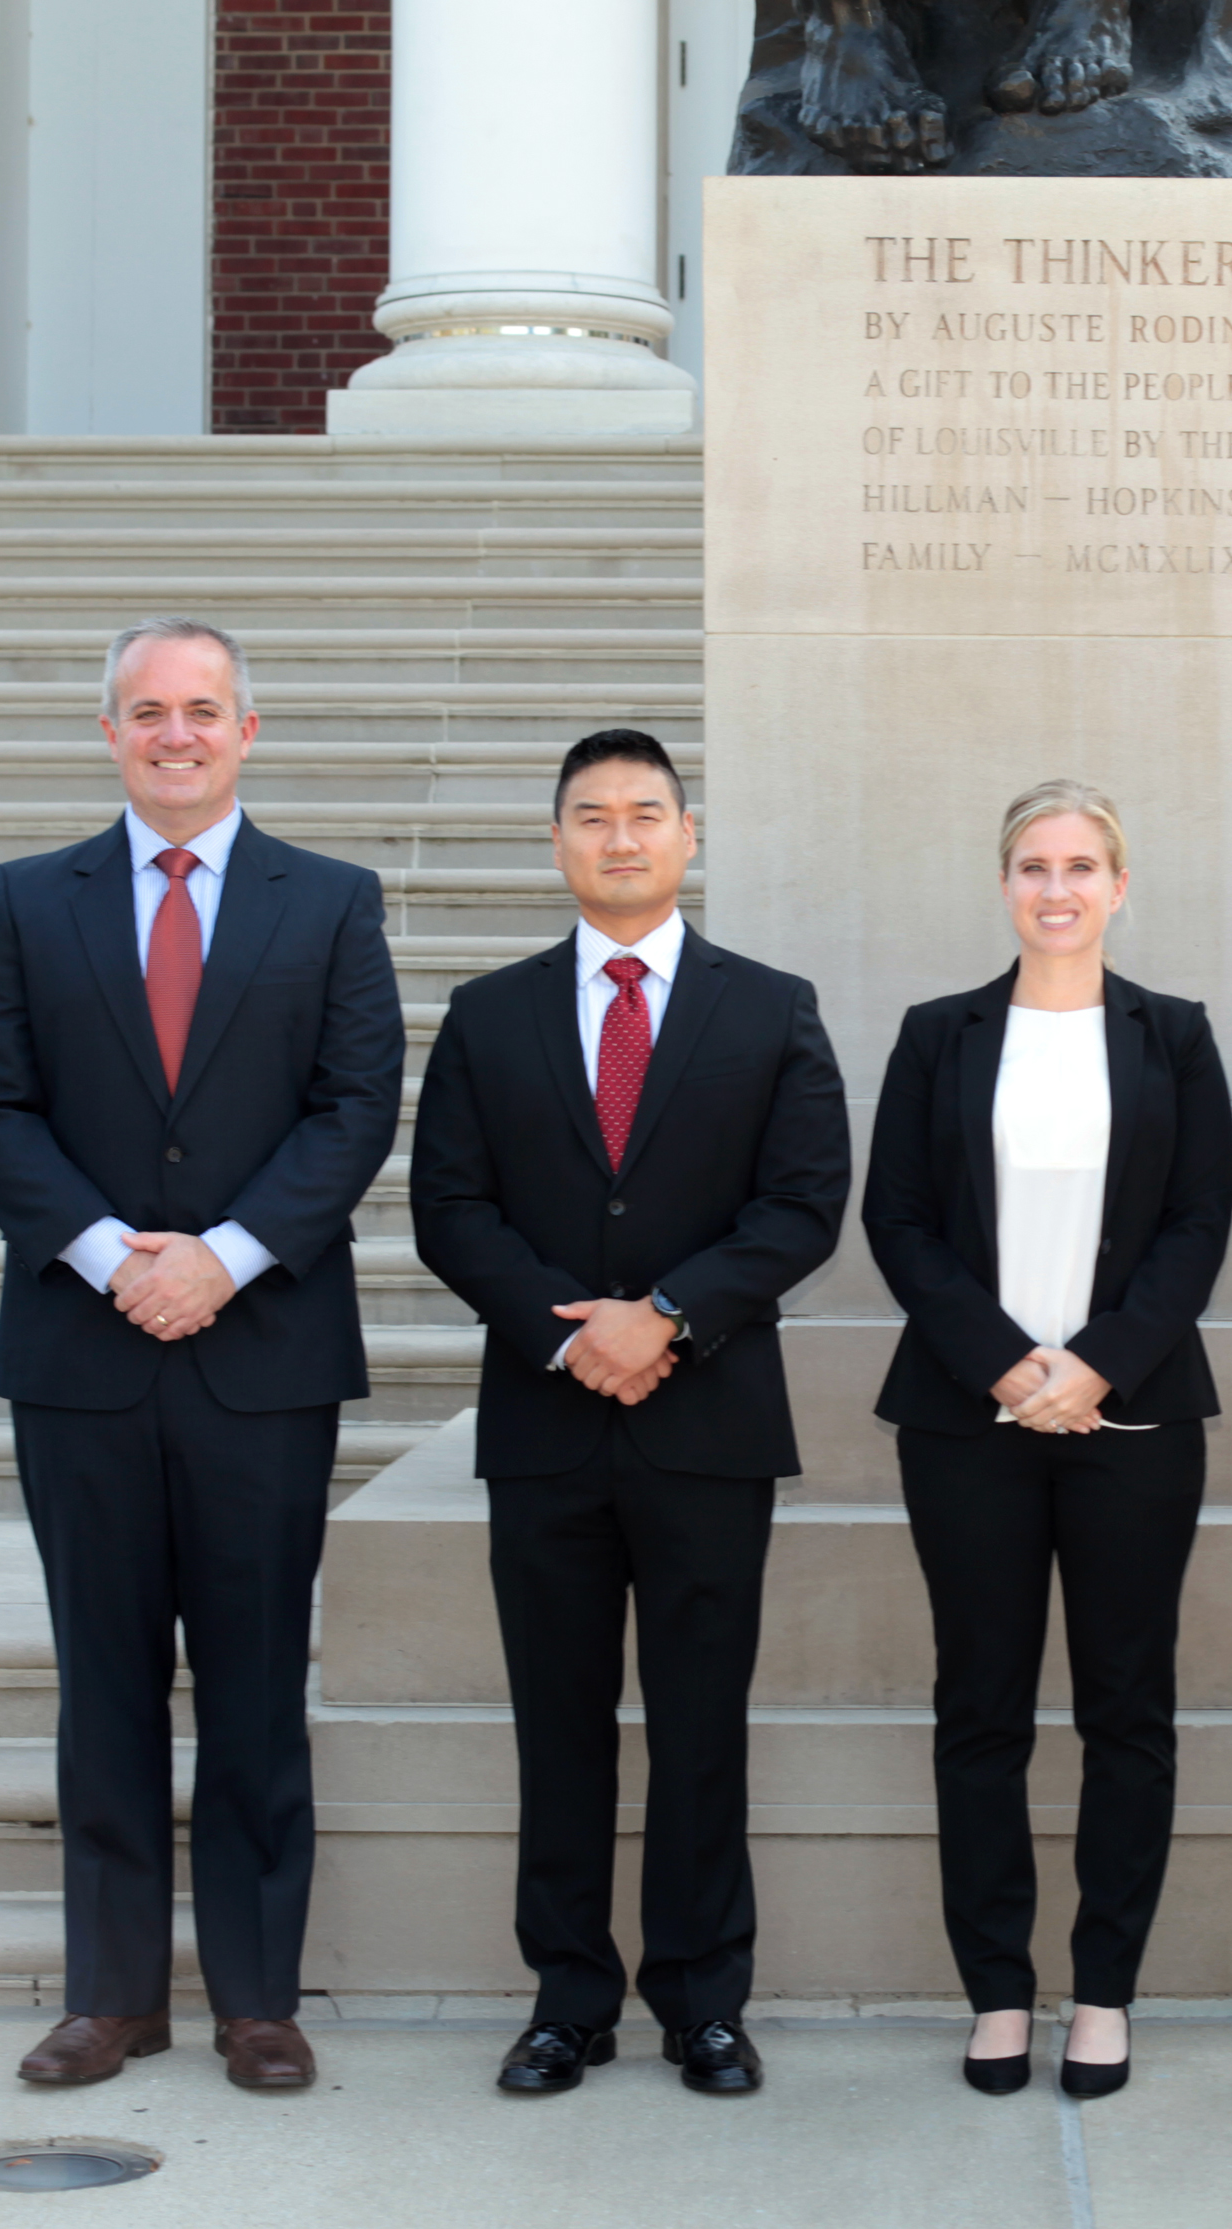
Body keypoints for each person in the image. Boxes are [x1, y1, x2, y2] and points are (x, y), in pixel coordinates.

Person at [0, 617, 405, 2092]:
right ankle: (112, 1994)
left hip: (260, 1353)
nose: (176, 734)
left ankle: (258, 1998)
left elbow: (355, 1105)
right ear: (110, 734)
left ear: (246, 731)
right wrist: (108, 1255)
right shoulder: (31, 900)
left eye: (202, 710)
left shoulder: (329, 902)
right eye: (148, 711)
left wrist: (226, 1255)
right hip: (80, 1357)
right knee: (105, 1682)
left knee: (257, 1682)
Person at [410, 728, 850, 2099]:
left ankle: (704, 2001)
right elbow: (449, 1208)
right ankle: (568, 2000)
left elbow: (803, 1203)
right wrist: (571, 1335)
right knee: (559, 1724)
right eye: (592, 815)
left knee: (702, 1724)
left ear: (686, 835)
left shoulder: (769, 1007)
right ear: (557, 842)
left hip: (707, 1423)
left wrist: (662, 1314)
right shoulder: (488, 1014)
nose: (619, 835)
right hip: (547, 1428)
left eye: (645, 812)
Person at [861, 781, 1232, 2102]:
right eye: (1034, 865)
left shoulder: (1174, 1035)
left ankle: (1106, 1990)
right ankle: (998, 1990)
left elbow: (1202, 1216)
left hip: (1131, 1419)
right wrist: (1009, 1364)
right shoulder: (939, 1034)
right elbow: (899, 1218)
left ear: (1119, 887)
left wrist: (1097, 1363)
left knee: (1127, 1709)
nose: (1057, 888)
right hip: (970, 1419)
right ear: (1005, 882)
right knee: (982, 1707)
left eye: (1082, 866)